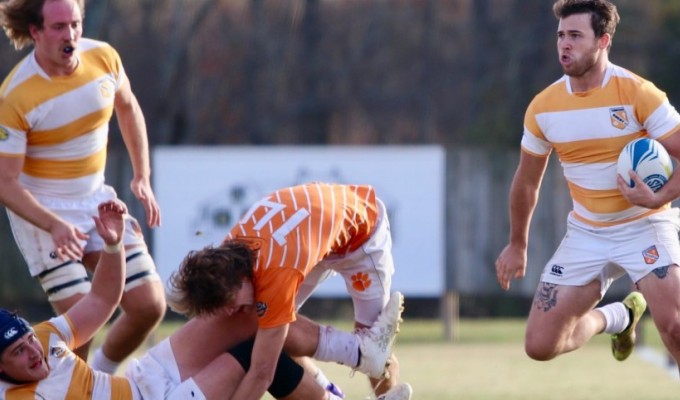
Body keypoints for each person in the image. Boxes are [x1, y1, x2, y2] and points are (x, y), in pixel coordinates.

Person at [0, 200, 345, 400]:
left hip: (144, 381)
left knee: (254, 325)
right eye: (18, 351)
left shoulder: (46, 338)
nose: (34, 351)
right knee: (255, 357)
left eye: (28, 340)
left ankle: (355, 363)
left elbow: (103, 299)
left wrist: (113, 245)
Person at [495, 0, 680, 370]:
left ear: (603, 41)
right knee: (541, 345)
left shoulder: (639, 93)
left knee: (675, 328)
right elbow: (527, 181)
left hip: (645, 227)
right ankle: (619, 317)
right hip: (587, 234)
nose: (564, 44)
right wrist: (517, 243)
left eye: (576, 36)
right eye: (561, 36)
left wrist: (659, 196)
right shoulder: (543, 107)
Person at [0, 0, 165, 373]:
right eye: (58, 27)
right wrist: (55, 225)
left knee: (149, 306)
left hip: (95, 201)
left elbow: (128, 107)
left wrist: (142, 175)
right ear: (35, 32)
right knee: (81, 325)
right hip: (44, 215)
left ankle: (99, 380)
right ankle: (67, 392)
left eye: (75, 23)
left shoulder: (103, 58)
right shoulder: (16, 97)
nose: (70, 34)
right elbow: (6, 184)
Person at [167, 182, 413, 400]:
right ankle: (346, 372)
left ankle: (372, 368)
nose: (232, 311)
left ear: (239, 279)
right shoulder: (231, 253)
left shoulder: (276, 271)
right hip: (317, 233)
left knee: (376, 345)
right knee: (267, 332)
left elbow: (262, 374)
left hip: (363, 235)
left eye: (230, 301)